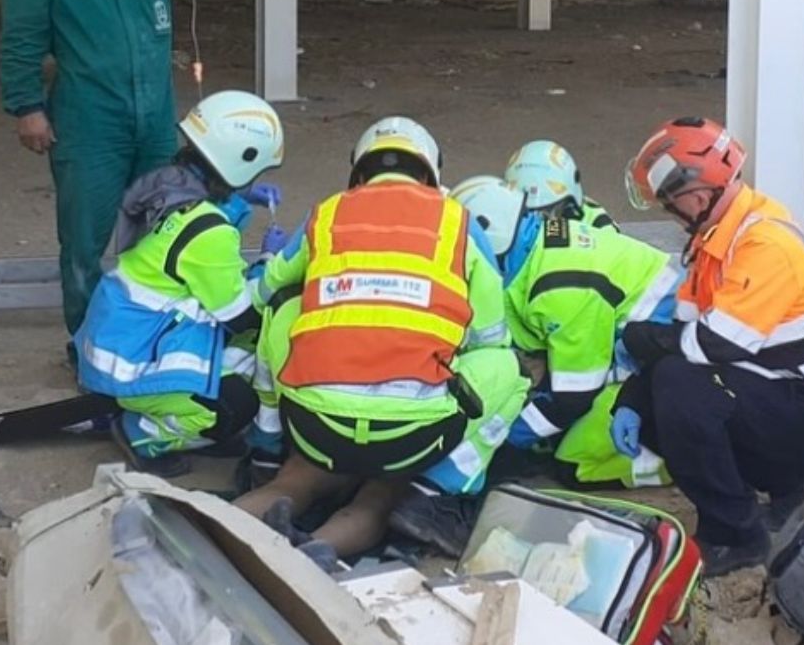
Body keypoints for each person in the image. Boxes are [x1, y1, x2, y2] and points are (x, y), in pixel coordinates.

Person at [235, 117, 530, 565]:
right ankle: (433, 495)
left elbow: (263, 293)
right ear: (430, 174)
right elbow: (489, 335)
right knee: (507, 367)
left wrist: (272, 262)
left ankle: (263, 455)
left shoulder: (326, 214)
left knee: (283, 308)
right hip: (413, 434)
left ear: (358, 173)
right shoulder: (459, 223)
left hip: (316, 424)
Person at [613, 117, 804, 577]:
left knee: (680, 391)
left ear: (696, 196)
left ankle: (735, 535)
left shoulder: (763, 243)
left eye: (668, 202)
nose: (669, 213)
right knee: (664, 393)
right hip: (799, 390)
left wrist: (641, 340)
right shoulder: (718, 238)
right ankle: (792, 484)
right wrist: (633, 398)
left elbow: (714, 344)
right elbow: (685, 340)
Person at [74, 90, 287, 478]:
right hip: (131, 361)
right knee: (236, 403)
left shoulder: (167, 188)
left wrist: (241, 197)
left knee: (240, 364)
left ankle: (177, 415)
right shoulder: (210, 233)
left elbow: (203, 227)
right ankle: (143, 432)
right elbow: (241, 317)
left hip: (121, 336)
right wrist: (270, 262)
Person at [449, 175, 681, 489]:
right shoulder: (534, 250)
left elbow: (573, 395)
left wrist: (505, 441)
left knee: (576, 464)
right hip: (642, 348)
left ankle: (680, 462)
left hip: (656, 366)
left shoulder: (559, 288)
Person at [0, 0, 188, 347]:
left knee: (165, 231)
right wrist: (26, 104)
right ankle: (90, 346)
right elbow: (23, 32)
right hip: (88, 116)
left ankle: (156, 340)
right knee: (83, 242)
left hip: (155, 114)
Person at [505, 140, 618, 231]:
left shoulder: (600, 226)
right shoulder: (502, 221)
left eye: (546, 214)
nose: (535, 223)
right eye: (525, 213)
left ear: (568, 205)